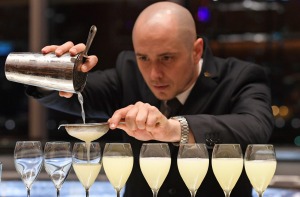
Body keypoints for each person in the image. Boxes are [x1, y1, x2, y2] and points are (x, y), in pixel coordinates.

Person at [27, 1, 274, 197]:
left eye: (167, 58)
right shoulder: (128, 72)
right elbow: (71, 96)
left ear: (196, 50)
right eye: (144, 58)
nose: (154, 74)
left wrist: (176, 129)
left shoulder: (240, 77)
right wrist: (55, 70)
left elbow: (255, 127)